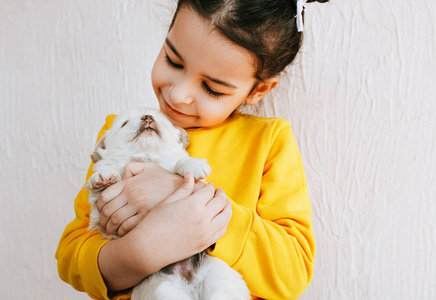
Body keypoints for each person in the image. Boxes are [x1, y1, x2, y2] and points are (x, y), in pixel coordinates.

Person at [56, 0, 329, 299]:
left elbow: (293, 269)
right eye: (173, 61)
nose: (179, 94)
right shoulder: (121, 131)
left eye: (212, 88)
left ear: (257, 90)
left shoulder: (268, 141)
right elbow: (71, 256)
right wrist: (140, 251)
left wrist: (184, 199)